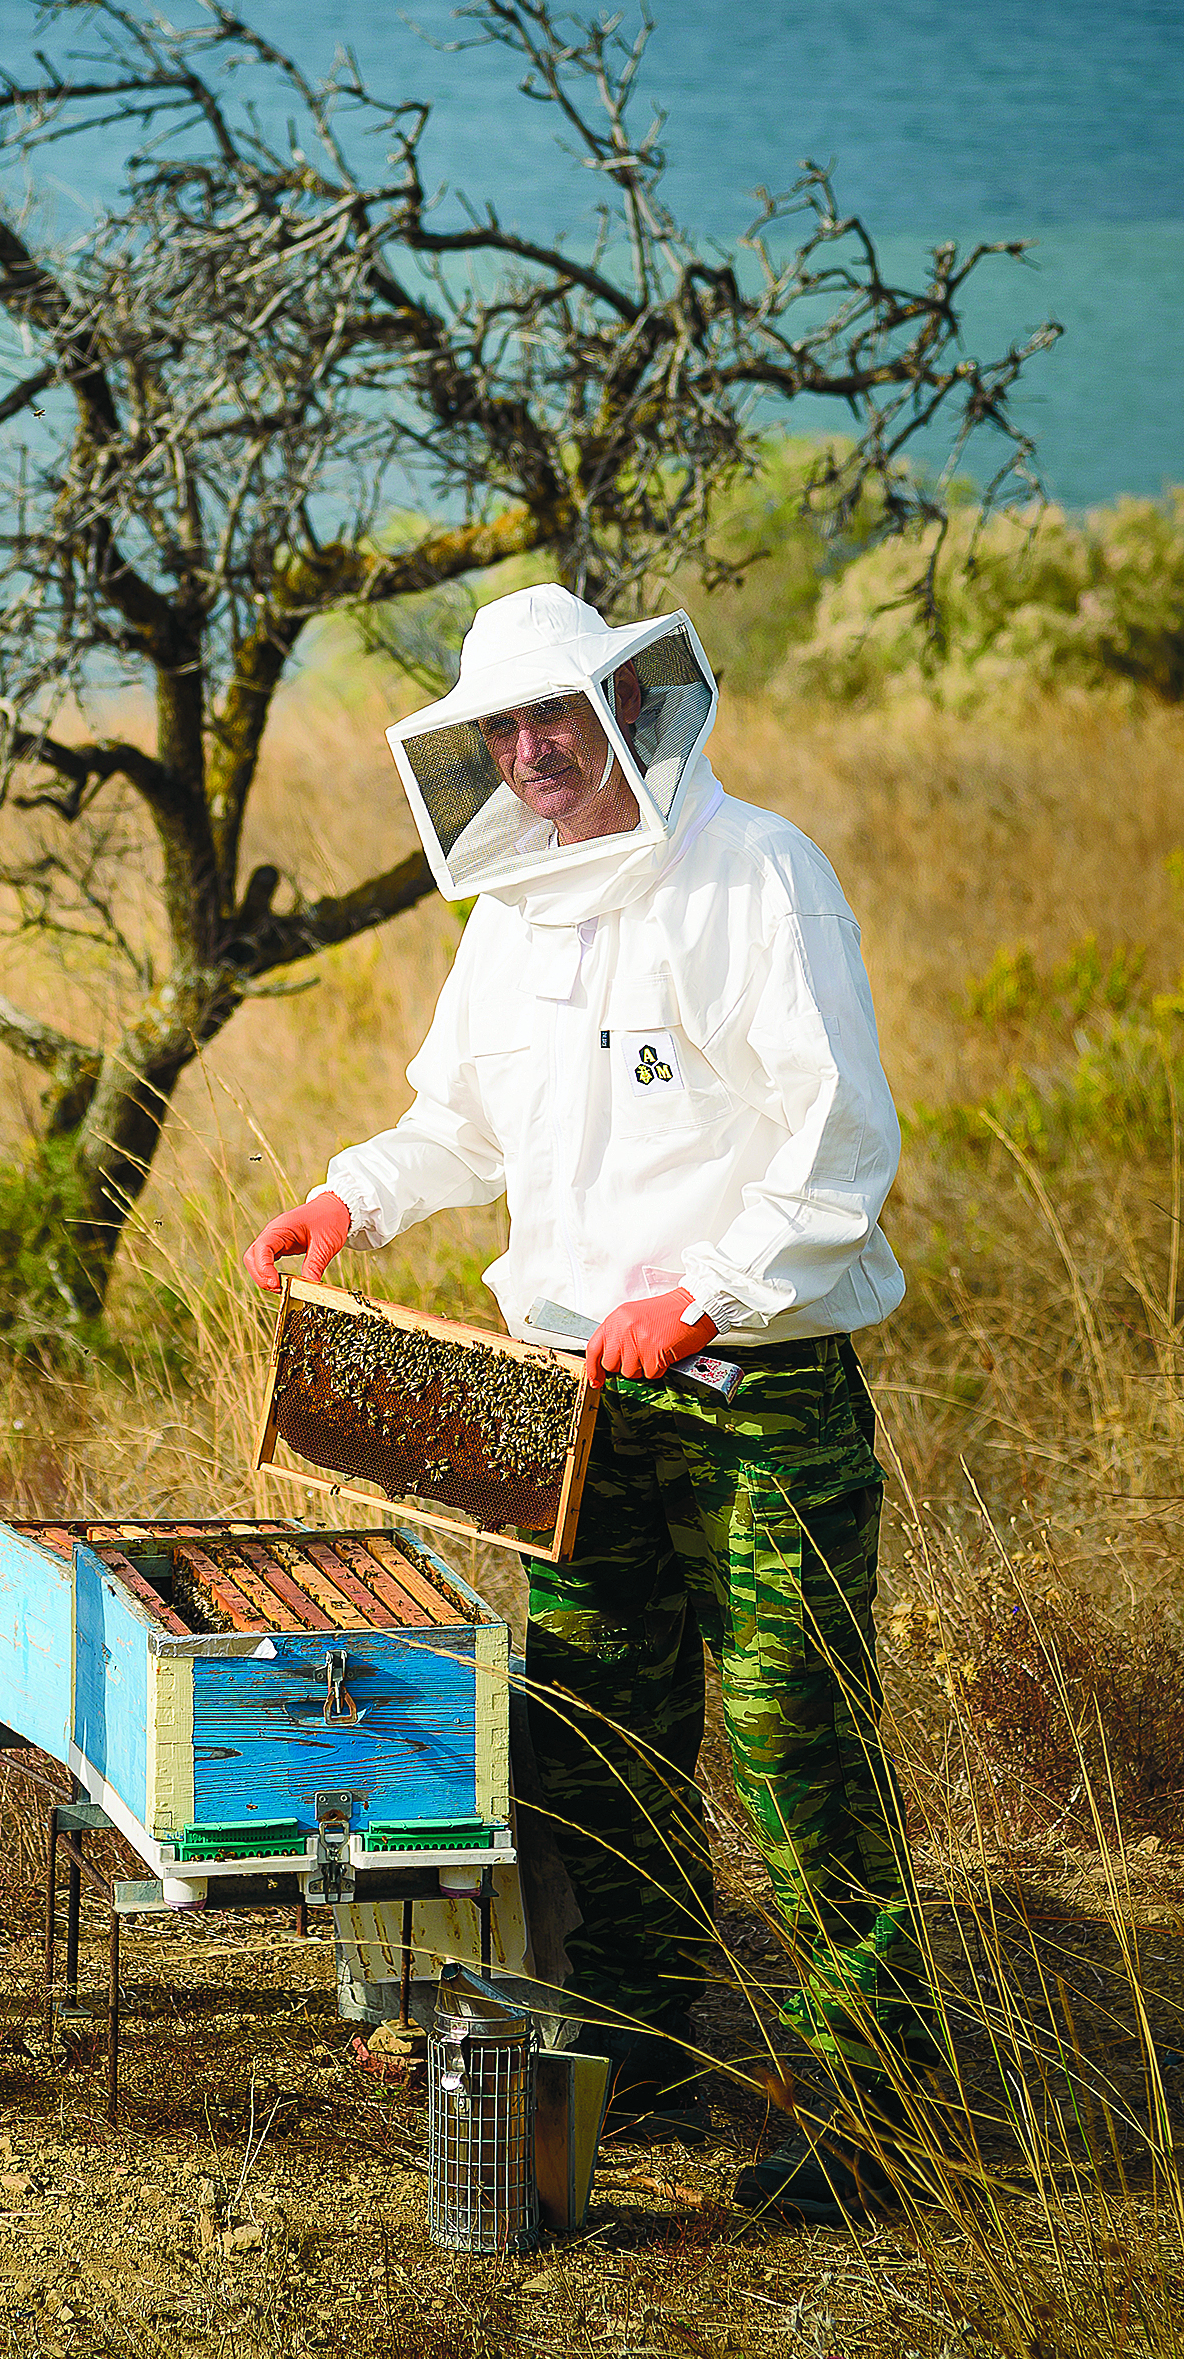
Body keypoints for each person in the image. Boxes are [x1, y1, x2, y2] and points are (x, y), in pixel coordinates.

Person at [244, 583, 944, 2222]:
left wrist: (700, 1291)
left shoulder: (756, 871)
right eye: (502, 728)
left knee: (793, 1744)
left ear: (627, 707)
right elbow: (456, 1122)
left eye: (553, 715)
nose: (530, 749)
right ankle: (637, 2039)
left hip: (753, 1392)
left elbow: (838, 1141)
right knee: (593, 1740)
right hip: (570, 1403)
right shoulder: (515, 908)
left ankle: (874, 2102)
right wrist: (350, 1198)